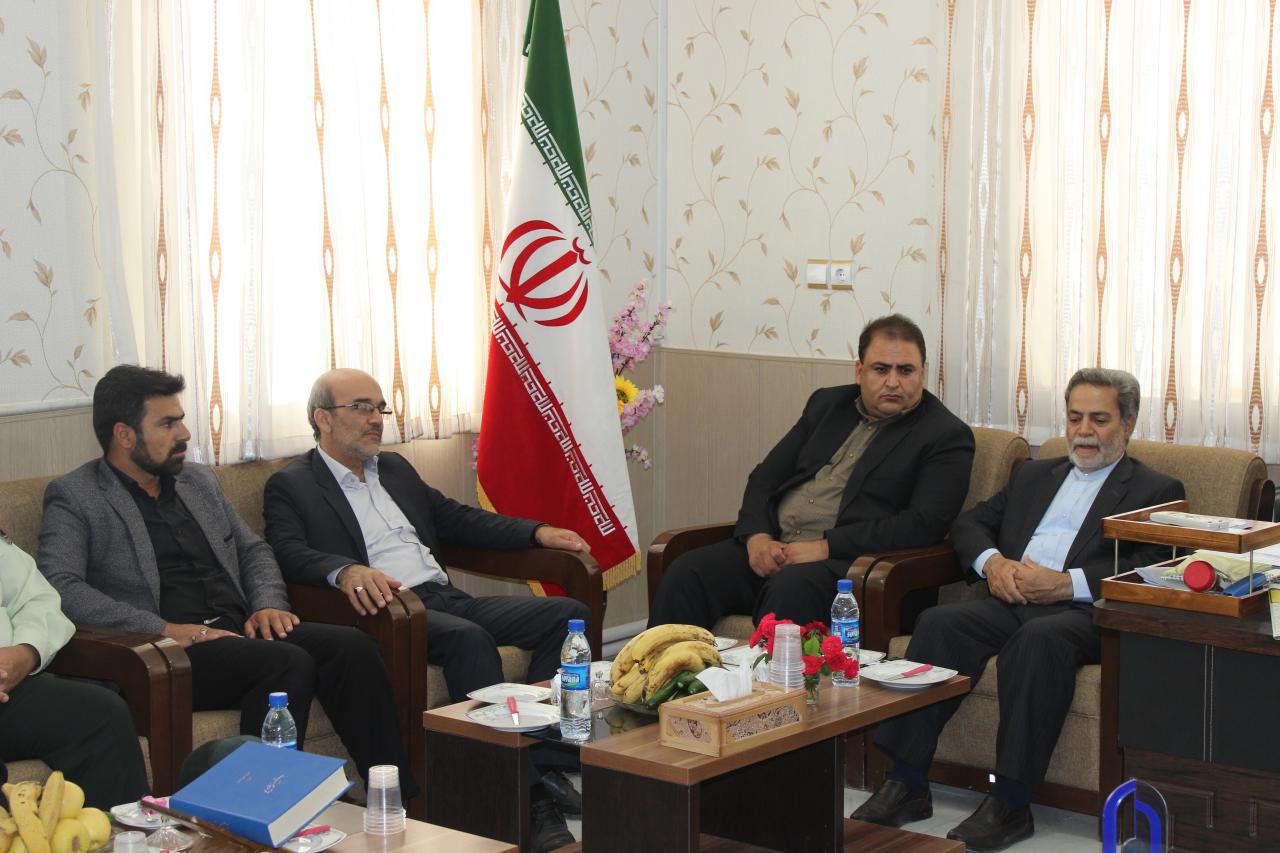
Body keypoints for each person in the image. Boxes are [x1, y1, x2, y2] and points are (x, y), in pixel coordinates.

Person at [36, 365, 417, 800]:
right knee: (285, 663)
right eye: (168, 423)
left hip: (238, 630)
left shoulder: (197, 481)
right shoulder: (77, 495)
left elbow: (253, 550)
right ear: (124, 435)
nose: (184, 433)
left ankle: (395, 799)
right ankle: (260, 804)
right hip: (164, 653)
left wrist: (268, 603)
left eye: (181, 419)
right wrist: (164, 629)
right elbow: (61, 586)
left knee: (352, 647)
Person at [854, 368, 1185, 851]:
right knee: (939, 623)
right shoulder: (1034, 474)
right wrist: (993, 564)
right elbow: (970, 524)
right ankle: (907, 782)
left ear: (1128, 424)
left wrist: (1066, 584)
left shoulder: (1155, 489)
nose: (1084, 431)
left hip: (1085, 614)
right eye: (1075, 417)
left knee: (1037, 641)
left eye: (1099, 419)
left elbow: (1155, 566)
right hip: (1011, 599)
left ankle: (1010, 802)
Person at [262, 367, 591, 853]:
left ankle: (541, 763)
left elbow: (456, 519)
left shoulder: (394, 469)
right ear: (323, 419)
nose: (376, 419)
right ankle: (528, 799)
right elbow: (286, 551)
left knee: (564, 616)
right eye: (362, 407)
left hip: (443, 598)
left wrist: (536, 532)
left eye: (380, 408)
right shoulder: (292, 484)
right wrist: (344, 570)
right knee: (468, 639)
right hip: (383, 612)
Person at [647, 314, 975, 630]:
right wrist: (757, 537)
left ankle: (771, 674)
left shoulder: (945, 435)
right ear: (859, 371)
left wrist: (826, 547)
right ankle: (672, 670)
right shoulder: (828, 405)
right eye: (881, 369)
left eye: (905, 370)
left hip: (854, 567)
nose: (893, 381)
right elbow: (766, 477)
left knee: (790, 588)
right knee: (687, 573)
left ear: (923, 373)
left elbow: (923, 525)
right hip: (779, 548)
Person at [0, 528, 149, 807]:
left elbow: (37, 599)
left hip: (8, 685)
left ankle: (118, 832)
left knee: (101, 715)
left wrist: (25, 651)